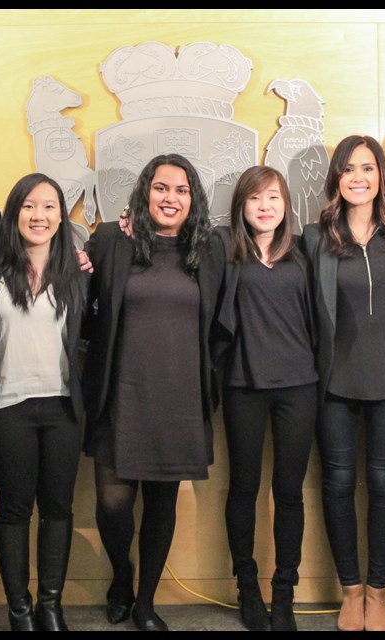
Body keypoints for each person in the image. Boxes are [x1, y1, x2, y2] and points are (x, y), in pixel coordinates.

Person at [82, 153, 225, 631]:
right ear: (146, 193)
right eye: (162, 188)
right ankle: (121, 575)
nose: (171, 198)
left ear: (193, 199)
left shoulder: (210, 250)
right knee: (113, 504)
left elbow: (222, 324)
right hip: (120, 394)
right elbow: (82, 306)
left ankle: (144, 601)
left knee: (162, 503)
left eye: (181, 190)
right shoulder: (110, 241)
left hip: (180, 398)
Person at [301, 136, 385, 631]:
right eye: (348, 169)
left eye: (368, 168)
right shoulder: (314, 237)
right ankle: (350, 591)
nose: (358, 177)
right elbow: (249, 243)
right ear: (336, 179)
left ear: (382, 175)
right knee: (339, 484)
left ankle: (378, 593)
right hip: (334, 384)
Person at [0, 174, 88, 631]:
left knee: (58, 508)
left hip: (63, 407)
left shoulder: (80, 273)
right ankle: (19, 609)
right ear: (14, 212)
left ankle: (51, 605)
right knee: (14, 510)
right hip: (7, 407)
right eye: (28, 206)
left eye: (48, 207)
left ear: (61, 216)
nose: (38, 215)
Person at [214, 165, 318, 631]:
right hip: (244, 385)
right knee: (243, 487)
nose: (265, 206)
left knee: (289, 491)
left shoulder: (303, 252)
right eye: (255, 199)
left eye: (273, 197)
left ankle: (284, 592)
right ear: (241, 206)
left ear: (286, 204)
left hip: (299, 386)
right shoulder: (225, 250)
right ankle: (247, 587)